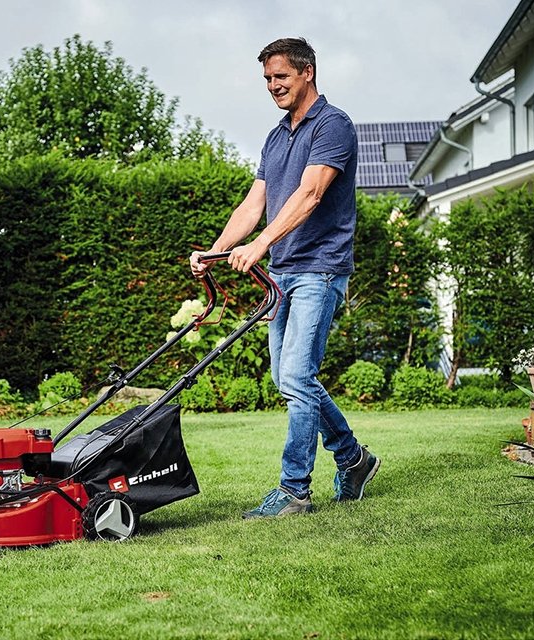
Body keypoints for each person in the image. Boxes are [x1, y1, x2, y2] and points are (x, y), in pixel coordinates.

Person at [190, 37, 379, 517]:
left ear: (307, 72)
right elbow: (253, 204)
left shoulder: (333, 125)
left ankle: (295, 490)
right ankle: (353, 459)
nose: (273, 85)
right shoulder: (276, 136)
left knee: (296, 376)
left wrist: (260, 244)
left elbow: (311, 194)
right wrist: (216, 251)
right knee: (288, 378)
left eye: (281, 76)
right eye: (268, 79)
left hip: (320, 268)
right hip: (282, 273)